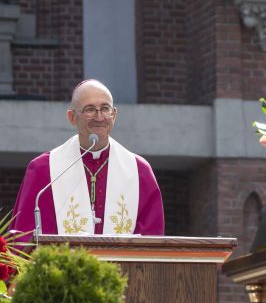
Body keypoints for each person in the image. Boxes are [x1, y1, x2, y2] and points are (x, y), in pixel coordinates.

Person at [11, 79, 165, 239]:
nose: (99, 117)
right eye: (89, 109)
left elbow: (152, 242)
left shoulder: (139, 171)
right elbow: (25, 238)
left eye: (105, 109)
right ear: (72, 117)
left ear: (114, 115)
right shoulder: (45, 169)